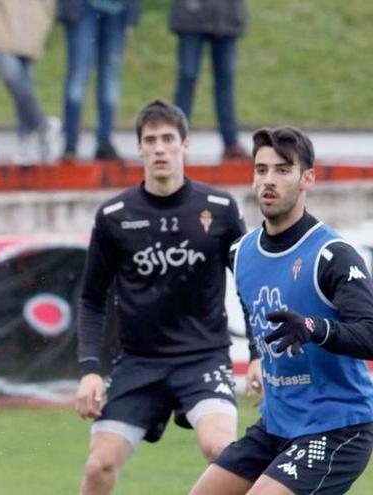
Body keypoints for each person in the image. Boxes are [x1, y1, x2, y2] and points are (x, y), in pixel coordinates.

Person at [74, 99, 247, 495]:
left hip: (203, 357)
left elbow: (249, 284)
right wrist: (88, 369)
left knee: (223, 451)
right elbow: (91, 299)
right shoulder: (114, 215)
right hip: (140, 363)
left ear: (185, 145)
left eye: (168, 138)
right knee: (98, 465)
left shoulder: (219, 208)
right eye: (150, 140)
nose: (159, 148)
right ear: (139, 148)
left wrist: (258, 355)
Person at [190, 126, 373, 495]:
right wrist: (258, 355)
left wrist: (314, 328)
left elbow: (369, 335)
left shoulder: (332, 255)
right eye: (261, 170)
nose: (268, 180)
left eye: (283, 170)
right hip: (276, 425)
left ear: (308, 178)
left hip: (338, 426)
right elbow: (251, 309)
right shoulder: (241, 253)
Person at [0, 0, 57, 164]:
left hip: (31, 18)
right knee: (12, 76)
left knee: (25, 82)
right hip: (0, 18)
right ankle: (42, 125)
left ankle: (27, 140)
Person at [57, 0, 139, 163]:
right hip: (81, 8)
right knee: (78, 75)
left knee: (110, 77)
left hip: (118, 10)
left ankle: (104, 141)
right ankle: (70, 143)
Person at [170, 0, 251, 160]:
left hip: (227, 16)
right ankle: (176, 140)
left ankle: (231, 142)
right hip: (190, 14)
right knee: (187, 77)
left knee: (225, 80)